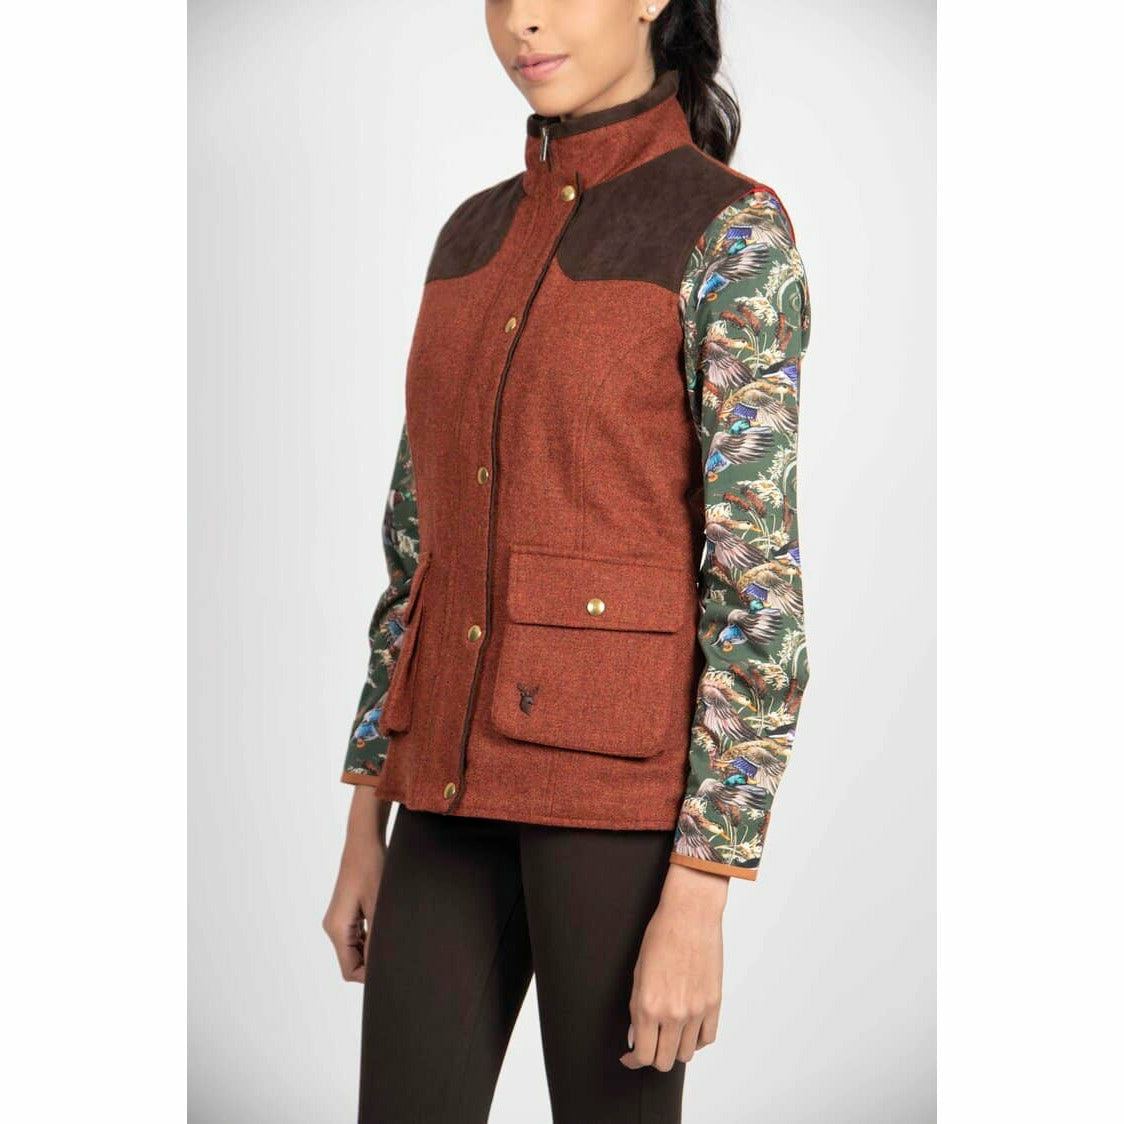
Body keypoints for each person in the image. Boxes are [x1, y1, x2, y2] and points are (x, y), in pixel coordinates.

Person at [323, 2, 812, 1120]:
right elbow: (417, 551)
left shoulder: (729, 231)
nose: (522, 23)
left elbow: (757, 585)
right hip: (441, 793)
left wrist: (701, 889)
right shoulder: (468, 237)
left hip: (617, 808)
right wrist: (364, 816)